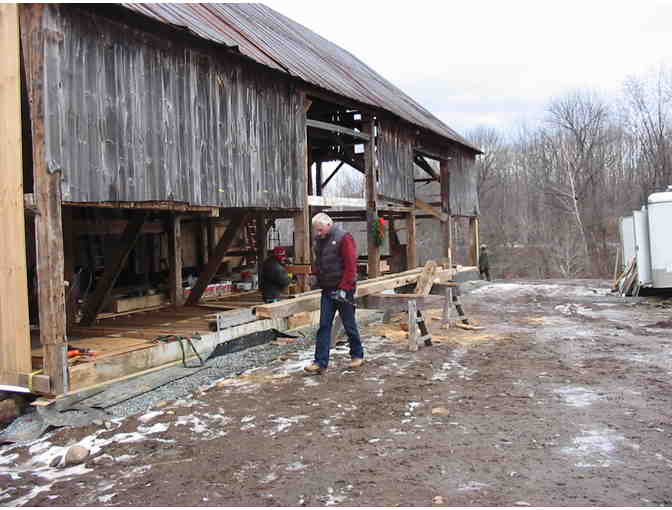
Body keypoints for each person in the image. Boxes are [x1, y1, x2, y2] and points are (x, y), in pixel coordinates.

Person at [304, 213, 363, 374]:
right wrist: (315, 276)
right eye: (316, 230)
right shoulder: (319, 241)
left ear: (329, 225)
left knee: (349, 324)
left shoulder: (344, 238)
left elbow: (351, 266)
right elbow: (319, 262)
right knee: (324, 326)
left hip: (344, 289)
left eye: (320, 230)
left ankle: (357, 355)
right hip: (328, 289)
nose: (318, 233)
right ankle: (320, 362)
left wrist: (345, 288)